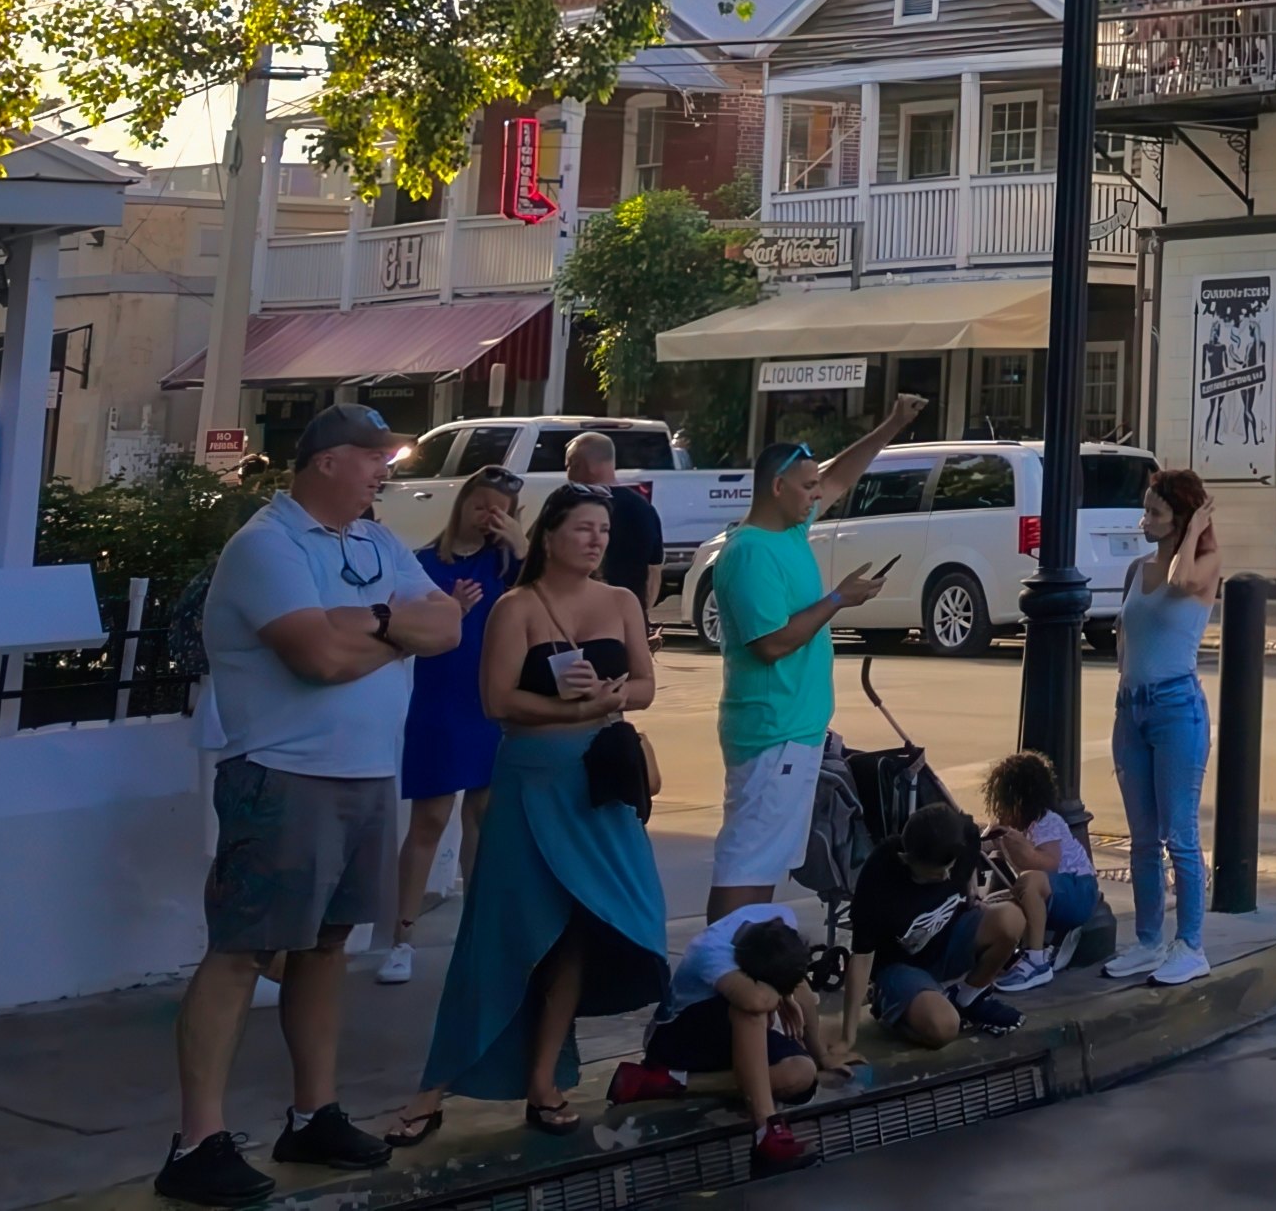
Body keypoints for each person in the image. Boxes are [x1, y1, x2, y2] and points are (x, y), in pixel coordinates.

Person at [149, 404, 467, 1206]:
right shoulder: (267, 545)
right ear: (325, 461)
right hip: (283, 774)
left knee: (326, 947)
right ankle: (196, 1141)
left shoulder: (376, 540)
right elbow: (317, 655)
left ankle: (313, 1110)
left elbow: (450, 624)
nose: (383, 472)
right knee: (243, 951)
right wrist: (399, 626)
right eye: (370, 457)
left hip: (365, 774)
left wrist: (382, 620)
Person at [375, 482, 669, 1151]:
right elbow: (496, 701)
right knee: (503, 933)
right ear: (550, 536)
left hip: (601, 783)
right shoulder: (518, 606)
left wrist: (618, 694)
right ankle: (434, 1088)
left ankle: (545, 1077)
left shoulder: (622, 601)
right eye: (583, 528)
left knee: (588, 928)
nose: (597, 539)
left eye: (603, 530)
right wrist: (577, 709)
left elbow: (647, 684)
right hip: (534, 780)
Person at [703, 395, 926, 920]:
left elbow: (840, 477)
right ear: (776, 488)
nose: (816, 496)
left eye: (815, 487)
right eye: (806, 488)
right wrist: (838, 600)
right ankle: (721, 971)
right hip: (770, 731)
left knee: (765, 861)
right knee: (747, 862)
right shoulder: (750, 551)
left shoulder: (790, 529)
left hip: (793, 731)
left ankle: (746, 962)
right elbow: (771, 643)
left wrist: (891, 424)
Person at [380, 467, 520, 987]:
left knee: (483, 819)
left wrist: (521, 544)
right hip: (439, 705)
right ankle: (402, 938)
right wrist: (451, 614)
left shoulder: (505, 565)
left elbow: (546, 597)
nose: (490, 516)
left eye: (501, 509)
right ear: (462, 503)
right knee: (430, 821)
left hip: (488, 703)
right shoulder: (422, 566)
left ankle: (478, 932)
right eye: (482, 504)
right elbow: (402, 631)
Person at [1108, 470, 1221, 987]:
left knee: (1180, 835)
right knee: (1142, 840)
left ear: (1180, 517)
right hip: (1132, 711)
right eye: (1145, 509)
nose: (1144, 520)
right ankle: (1150, 941)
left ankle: (1190, 946)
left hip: (1178, 709)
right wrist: (1123, 687)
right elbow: (1124, 636)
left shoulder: (1204, 566)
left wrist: (1197, 527)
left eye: (1155, 512)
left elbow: (1179, 582)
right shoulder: (1137, 569)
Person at [611, 908, 825, 1169]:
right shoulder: (712, 951)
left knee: (802, 1073)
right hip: (678, 1039)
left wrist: (822, 1055)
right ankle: (765, 1133)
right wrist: (782, 996)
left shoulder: (782, 920)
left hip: (726, 1042)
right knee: (751, 1011)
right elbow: (756, 999)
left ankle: (672, 1083)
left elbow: (799, 981)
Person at [840, 802, 1001, 1053]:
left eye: (950, 868)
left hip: (947, 940)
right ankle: (891, 1010)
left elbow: (970, 848)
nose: (946, 878)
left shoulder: (962, 834)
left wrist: (973, 892)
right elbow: (860, 959)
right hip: (899, 966)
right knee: (945, 1028)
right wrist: (847, 1037)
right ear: (907, 860)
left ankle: (967, 998)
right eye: (936, 875)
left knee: (1010, 919)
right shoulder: (880, 874)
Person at [977, 750, 1105, 987]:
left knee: (1029, 881)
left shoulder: (1047, 822)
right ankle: (1017, 951)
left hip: (1078, 889)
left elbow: (1049, 865)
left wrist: (1022, 848)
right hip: (1055, 893)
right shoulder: (1016, 827)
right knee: (997, 904)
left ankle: (1036, 961)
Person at [554, 434, 669, 611]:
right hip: (630, 619)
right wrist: (640, 613)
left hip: (580, 619)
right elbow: (654, 573)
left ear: (585, 466)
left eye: (569, 465)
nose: (568, 473)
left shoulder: (569, 505)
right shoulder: (644, 509)